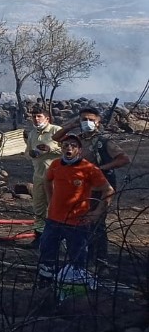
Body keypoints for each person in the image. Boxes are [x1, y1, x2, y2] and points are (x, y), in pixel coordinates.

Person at [53, 107, 129, 266]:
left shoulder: (104, 141)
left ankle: (101, 262)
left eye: (90, 119)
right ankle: (85, 258)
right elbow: (57, 137)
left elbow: (123, 159)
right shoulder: (78, 140)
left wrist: (101, 169)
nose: (87, 122)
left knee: (97, 223)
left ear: (98, 121)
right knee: (81, 222)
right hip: (81, 188)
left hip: (99, 186)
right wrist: (70, 125)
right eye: (83, 119)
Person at [37, 136, 114, 288]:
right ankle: (45, 284)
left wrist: (97, 212)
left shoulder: (89, 168)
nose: (69, 148)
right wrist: (50, 199)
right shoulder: (56, 164)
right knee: (47, 253)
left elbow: (109, 190)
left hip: (77, 222)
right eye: (65, 145)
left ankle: (74, 290)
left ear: (79, 149)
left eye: (73, 145)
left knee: (77, 258)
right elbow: (47, 180)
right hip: (54, 219)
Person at [23, 109, 62, 248]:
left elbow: (69, 149)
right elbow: (27, 152)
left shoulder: (56, 131)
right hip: (39, 176)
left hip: (56, 177)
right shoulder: (33, 134)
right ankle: (39, 237)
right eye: (33, 117)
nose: (36, 119)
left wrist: (49, 148)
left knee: (56, 206)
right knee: (39, 207)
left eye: (39, 116)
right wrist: (31, 154)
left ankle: (58, 238)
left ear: (47, 118)